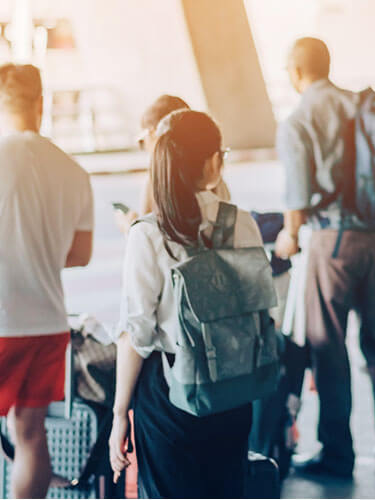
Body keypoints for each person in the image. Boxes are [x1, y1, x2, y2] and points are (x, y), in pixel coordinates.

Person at [273, 37, 375, 479]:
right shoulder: (361, 106)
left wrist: (289, 238)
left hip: (334, 241)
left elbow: (296, 194)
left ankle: (336, 454)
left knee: (329, 348)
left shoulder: (298, 119)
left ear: (294, 72)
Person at [108, 110, 262, 498]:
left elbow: (137, 334)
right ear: (212, 162)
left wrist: (118, 415)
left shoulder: (147, 233)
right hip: (233, 386)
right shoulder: (241, 223)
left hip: (170, 394)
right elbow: (262, 308)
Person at [0, 63, 94, 498]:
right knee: (31, 434)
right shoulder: (74, 171)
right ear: (41, 104)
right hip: (47, 323)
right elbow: (80, 255)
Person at [113, 95, 231, 234]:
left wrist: (130, 227)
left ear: (154, 135)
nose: (144, 147)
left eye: (142, 140)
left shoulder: (157, 180)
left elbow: (153, 239)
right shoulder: (214, 179)